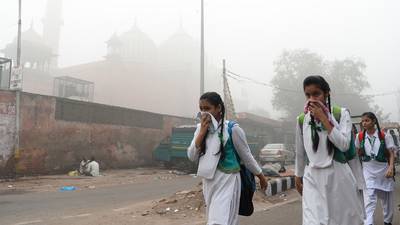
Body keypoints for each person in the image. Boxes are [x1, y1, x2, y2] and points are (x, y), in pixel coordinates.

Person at [187, 92, 267, 225]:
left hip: (228, 180)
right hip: (209, 181)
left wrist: (261, 176)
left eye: (207, 108)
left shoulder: (232, 130)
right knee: (219, 218)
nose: (203, 113)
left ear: (218, 108)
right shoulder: (200, 129)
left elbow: (247, 156)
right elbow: (191, 156)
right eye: (201, 109)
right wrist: (201, 133)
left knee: (219, 220)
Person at [295, 75, 364, 225]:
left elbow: (344, 145)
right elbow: (300, 152)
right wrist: (298, 175)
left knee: (341, 219)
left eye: (316, 93)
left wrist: (325, 120)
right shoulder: (302, 119)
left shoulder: (341, 114)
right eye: (308, 95)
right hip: (312, 176)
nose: (312, 98)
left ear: (327, 93)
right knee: (313, 220)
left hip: (338, 176)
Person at [355, 112, 396, 225]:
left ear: (374, 121)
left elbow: (391, 153)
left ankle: (387, 221)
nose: (364, 123)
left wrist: (391, 168)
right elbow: (357, 152)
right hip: (368, 171)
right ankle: (368, 223)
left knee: (386, 200)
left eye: (367, 120)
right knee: (369, 199)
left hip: (384, 171)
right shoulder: (360, 136)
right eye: (362, 121)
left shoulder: (384, 136)